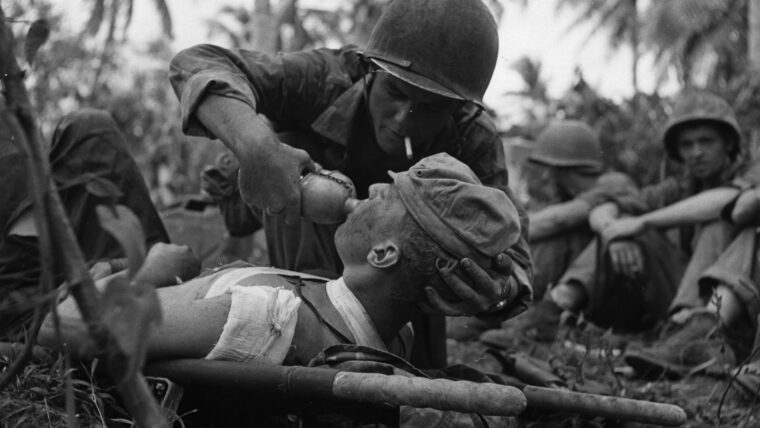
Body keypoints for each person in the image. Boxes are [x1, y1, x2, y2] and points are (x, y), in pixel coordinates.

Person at [168, 0, 532, 367]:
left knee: (418, 377)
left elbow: (513, 261)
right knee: (295, 143)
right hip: (293, 230)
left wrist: (497, 292)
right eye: (396, 92)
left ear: (459, 109)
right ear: (368, 70)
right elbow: (195, 63)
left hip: (396, 291)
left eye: (431, 107)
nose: (404, 119)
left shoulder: (472, 137)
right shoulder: (326, 80)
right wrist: (260, 149)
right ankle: (310, 325)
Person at [39, 153, 522, 426]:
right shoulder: (397, 339)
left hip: (65, 299)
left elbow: (59, 328)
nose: (374, 189)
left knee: (90, 136)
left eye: (390, 197)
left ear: (383, 255)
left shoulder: (270, 315)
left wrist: (146, 270)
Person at [0, 109, 170, 338]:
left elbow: (171, 259)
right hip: (26, 308)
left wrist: (114, 267)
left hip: (92, 280)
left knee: (88, 125)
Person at [475, 120, 638, 345]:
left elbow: (558, 220)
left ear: (561, 170)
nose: (545, 177)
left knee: (552, 235)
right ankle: (501, 308)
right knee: (549, 240)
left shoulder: (613, 183)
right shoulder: (573, 195)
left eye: (549, 169)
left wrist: (490, 237)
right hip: (593, 292)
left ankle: (532, 316)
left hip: (624, 295)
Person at [622, 170, 760, 380]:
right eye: (688, 144)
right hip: (721, 300)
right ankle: (694, 332)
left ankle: (698, 332)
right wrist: (613, 227)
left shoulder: (736, 175)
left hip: (744, 314)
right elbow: (739, 209)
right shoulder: (676, 186)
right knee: (718, 226)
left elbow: (732, 205)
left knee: (730, 226)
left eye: (706, 141)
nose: (697, 151)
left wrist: (643, 222)